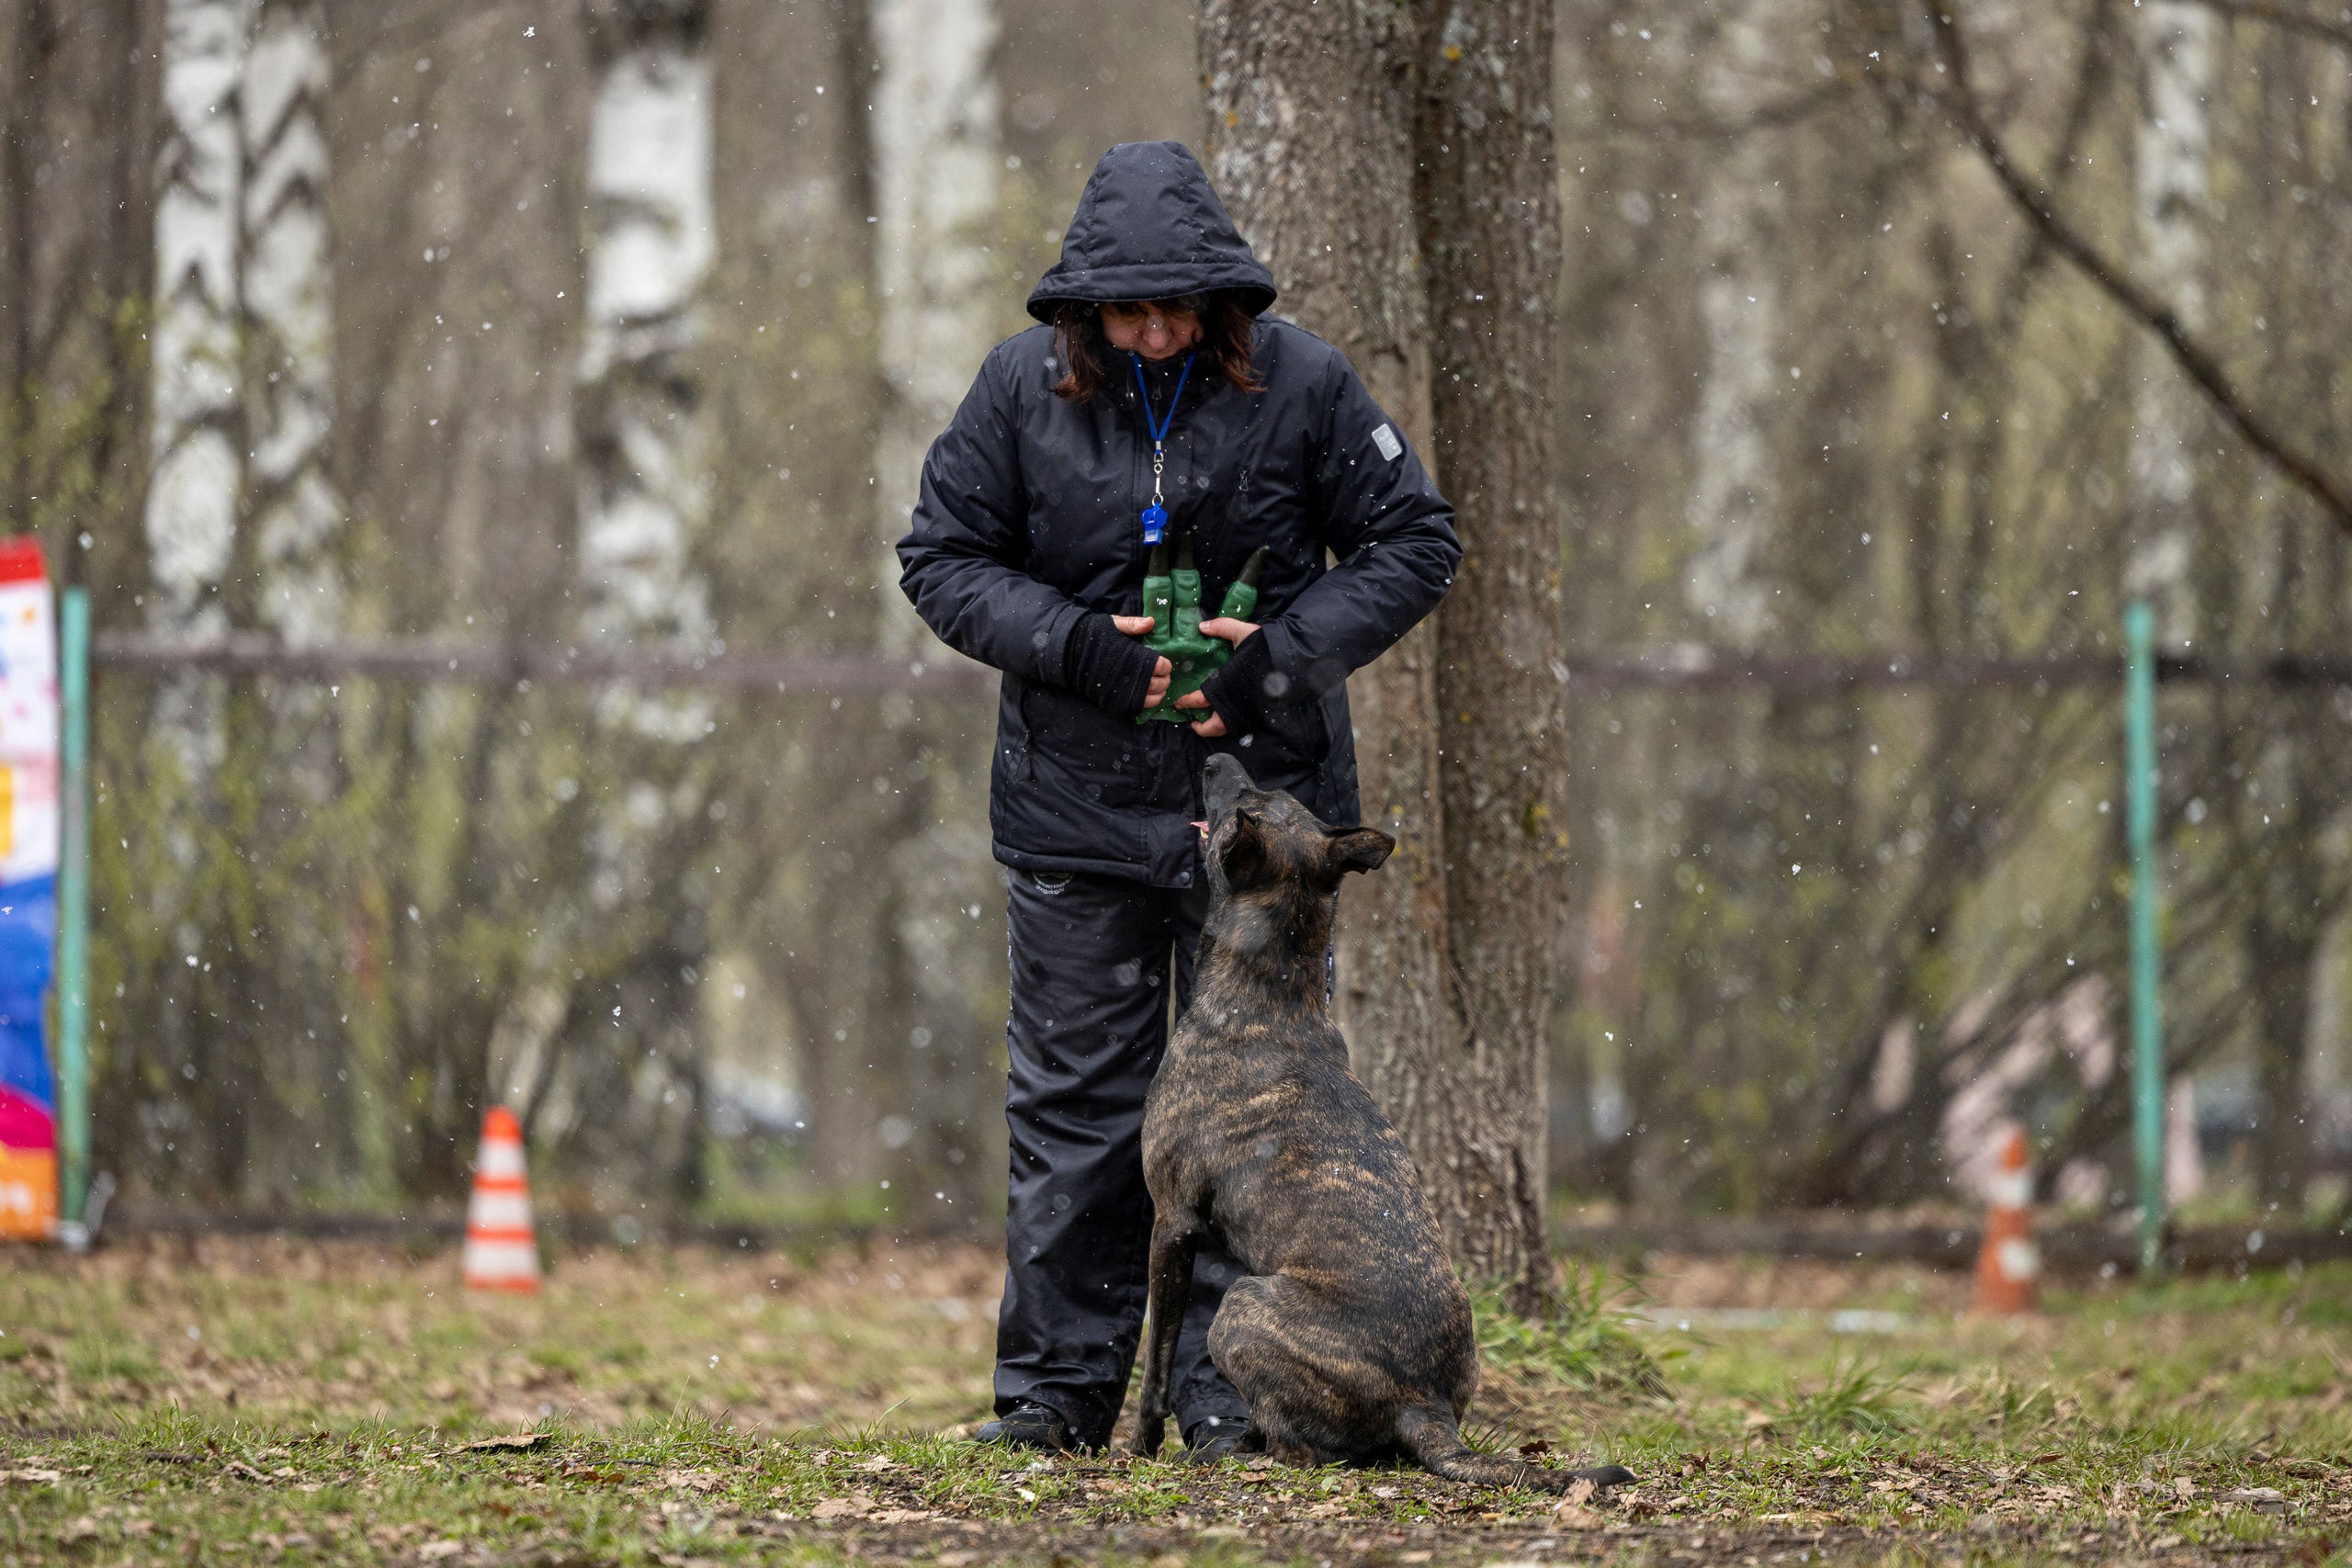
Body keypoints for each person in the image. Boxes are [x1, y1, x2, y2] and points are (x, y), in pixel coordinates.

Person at [896, 141, 1460, 1456]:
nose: (1152, 335)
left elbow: (1414, 540)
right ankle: (1054, 1400)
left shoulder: (1307, 384)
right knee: (1079, 1111)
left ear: (1220, 300)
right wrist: (1092, 650)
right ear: (1081, 309)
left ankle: (1226, 1404)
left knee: (1261, 1124)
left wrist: (1270, 667)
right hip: (1076, 812)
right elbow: (940, 559)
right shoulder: (1016, 390)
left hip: (1267, 837)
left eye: (1176, 308)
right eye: (1126, 311)